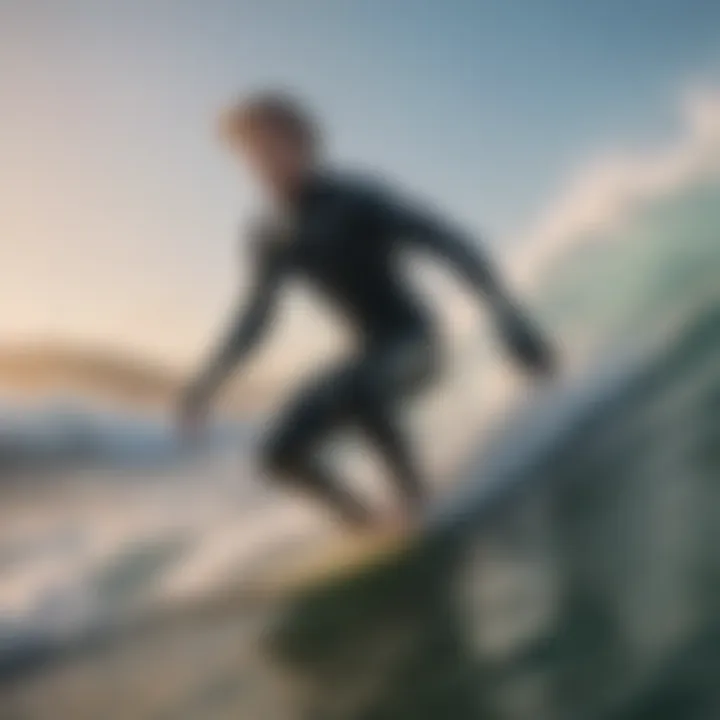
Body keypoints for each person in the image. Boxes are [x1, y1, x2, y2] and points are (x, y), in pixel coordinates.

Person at [179, 92, 555, 529]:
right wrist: (207, 384)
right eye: (251, 154)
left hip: (416, 343)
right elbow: (255, 318)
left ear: (304, 144)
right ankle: (365, 527)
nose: (262, 162)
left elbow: (449, 243)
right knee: (277, 454)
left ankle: (417, 504)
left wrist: (509, 320)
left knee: (357, 390)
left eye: (271, 146)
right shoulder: (269, 235)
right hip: (365, 358)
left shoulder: (356, 199)